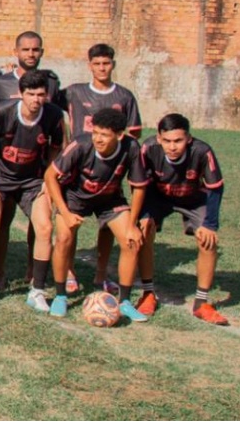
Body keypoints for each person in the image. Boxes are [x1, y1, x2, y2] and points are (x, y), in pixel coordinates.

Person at [43, 108, 150, 322]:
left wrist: (132, 224)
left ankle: (125, 302)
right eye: (96, 132)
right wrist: (65, 212)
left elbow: (139, 187)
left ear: (119, 135)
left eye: (104, 134)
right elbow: (50, 175)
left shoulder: (131, 147)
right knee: (64, 238)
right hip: (74, 197)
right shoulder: (81, 144)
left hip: (110, 198)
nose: (98, 139)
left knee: (132, 242)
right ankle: (61, 296)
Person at [0, 70, 65, 311]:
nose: (36, 99)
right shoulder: (2, 111)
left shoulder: (54, 116)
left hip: (33, 181)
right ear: (21, 94)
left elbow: (56, 148)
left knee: (45, 227)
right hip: (0, 178)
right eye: (31, 94)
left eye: (41, 94)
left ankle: (37, 291)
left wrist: (48, 179)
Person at [57, 44, 142, 296]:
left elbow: (134, 133)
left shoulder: (124, 96)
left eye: (106, 63)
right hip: (77, 167)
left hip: (108, 169)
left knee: (108, 226)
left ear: (113, 64)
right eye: (97, 63)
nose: (102, 68)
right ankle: (69, 271)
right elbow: (45, 100)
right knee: (69, 226)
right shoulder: (74, 92)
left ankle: (101, 274)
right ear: (89, 65)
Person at [136, 114, 228, 324]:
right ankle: (148, 293)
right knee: (144, 232)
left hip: (194, 199)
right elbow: (141, 184)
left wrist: (210, 225)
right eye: (167, 141)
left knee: (208, 241)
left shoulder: (202, 151)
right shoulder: (148, 148)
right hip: (158, 197)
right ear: (159, 138)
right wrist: (145, 216)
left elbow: (215, 188)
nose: (172, 146)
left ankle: (201, 303)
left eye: (178, 140)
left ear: (188, 138)